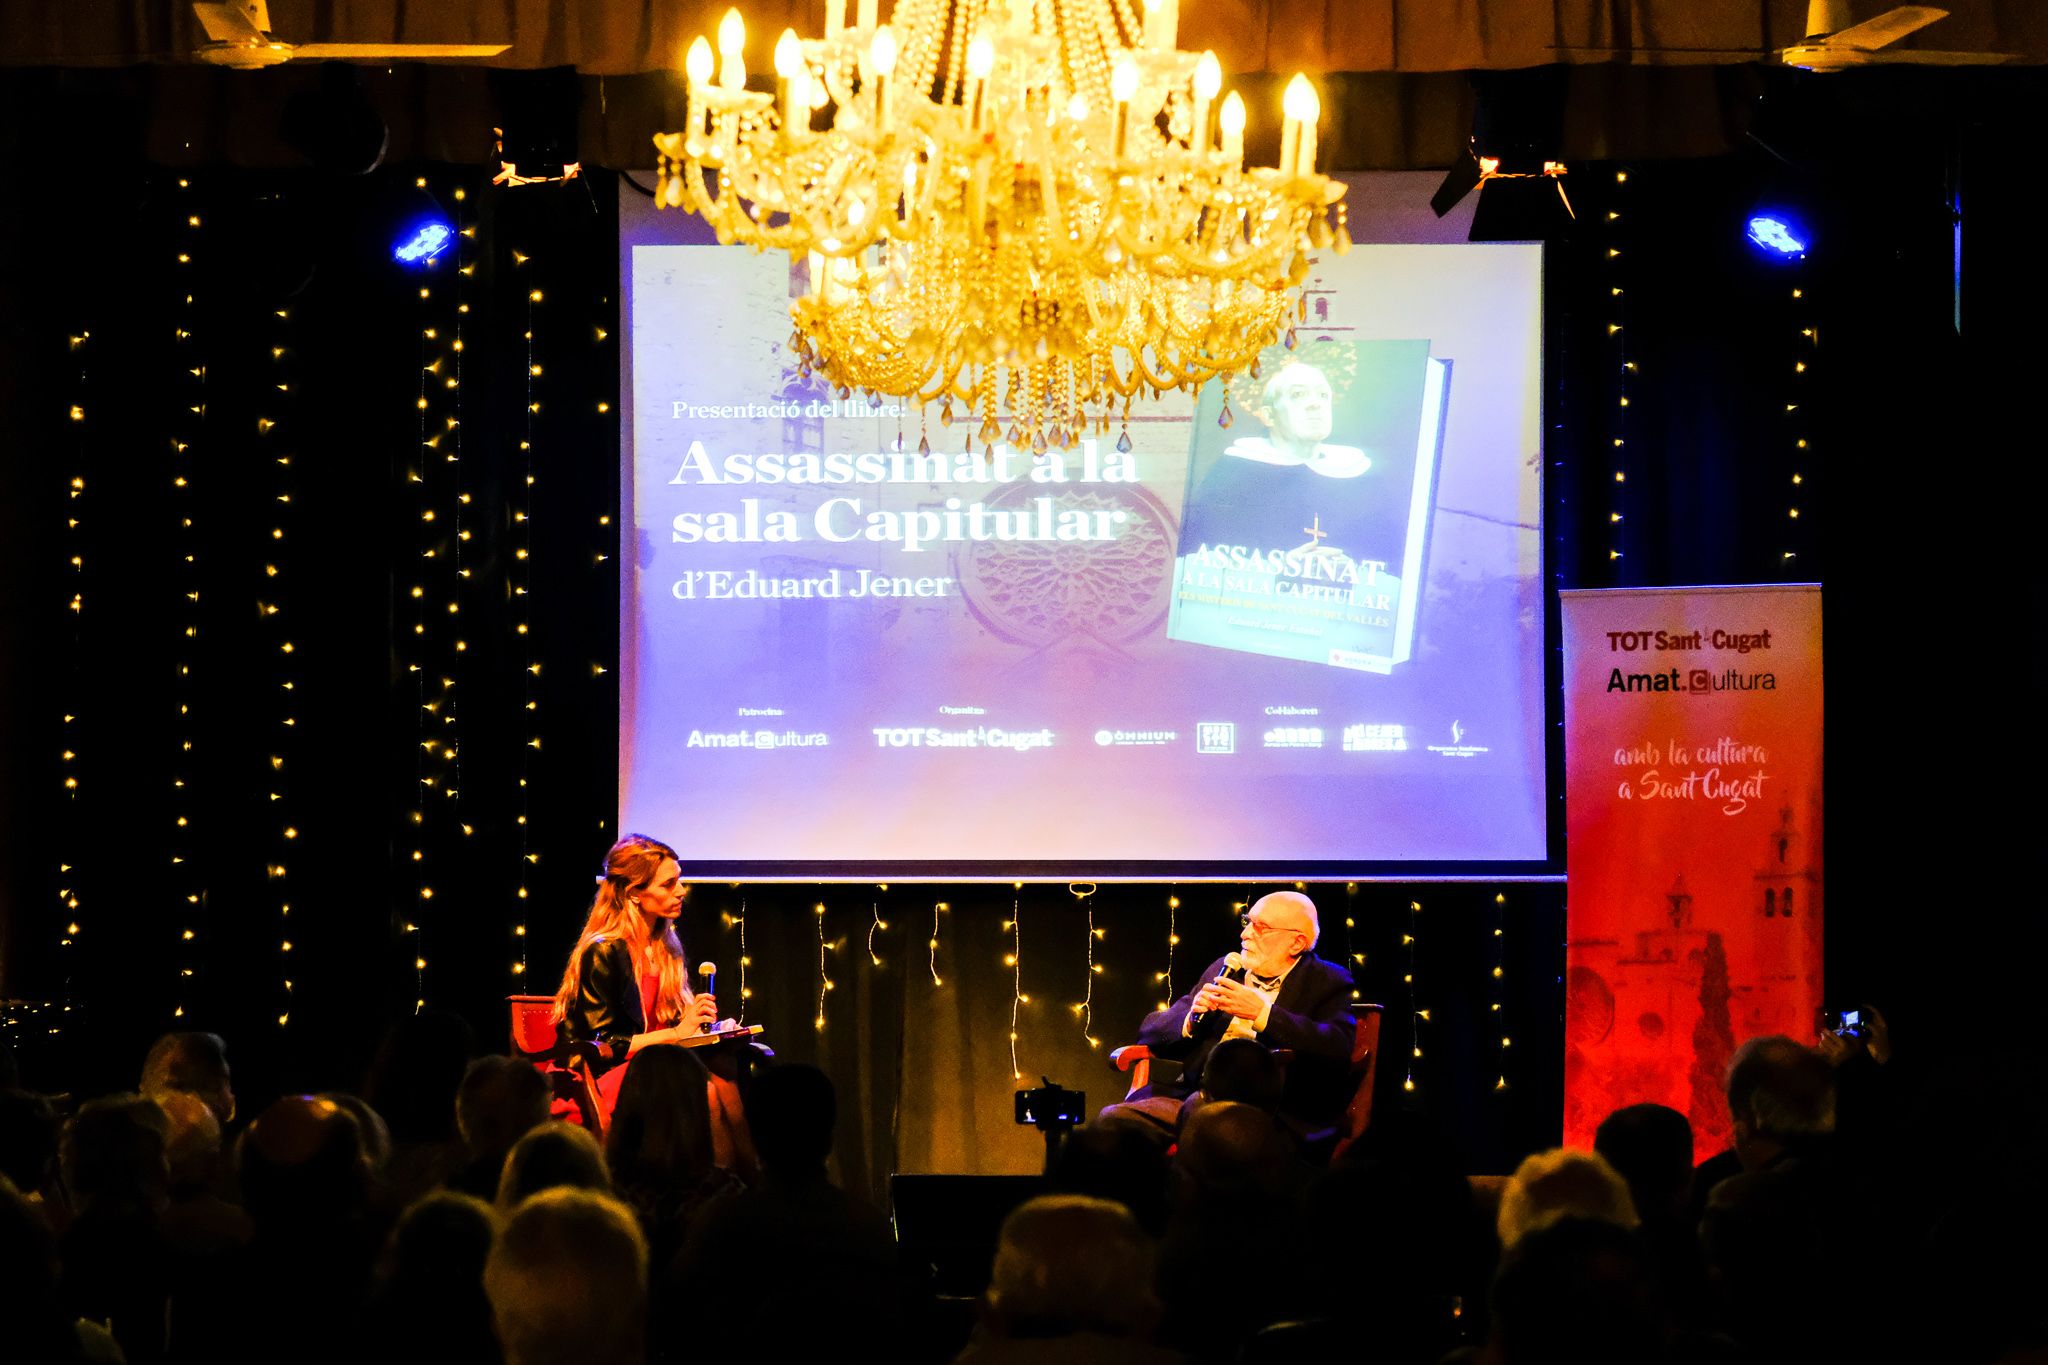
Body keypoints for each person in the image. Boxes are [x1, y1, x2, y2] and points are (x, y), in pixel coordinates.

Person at [1108, 891, 1356, 1138]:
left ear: (1296, 943)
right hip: (1195, 1094)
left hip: (1272, 1111)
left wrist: (1263, 1014)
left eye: (1261, 927)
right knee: (1114, 1119)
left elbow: (1336, 1045)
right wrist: (1189, 1021)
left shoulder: (1326, 980)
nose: (1245, 934)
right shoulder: (1227, 969)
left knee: (1202, 1115)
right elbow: (1150, 1031)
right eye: (1248, 922)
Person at [1177, 351, 1393, 567]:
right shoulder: (1232, 474)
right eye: (1298, 395)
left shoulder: (1359, 477)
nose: (1315, 404)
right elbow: (1204, 556)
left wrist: (1350, 569)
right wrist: (1284, 567)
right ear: (1268, 415)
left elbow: (1384, 559)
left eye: (1323, 395)